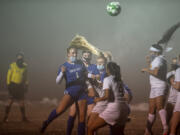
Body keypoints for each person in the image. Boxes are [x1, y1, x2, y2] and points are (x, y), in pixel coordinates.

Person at [40, 47, 90, 135]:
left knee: (82, 118)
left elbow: (86, 75)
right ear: (68, 54)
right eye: (72, 53)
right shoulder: (64, 66)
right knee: (60, 110)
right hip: (71, 92)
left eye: (75, 53)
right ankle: (46, 122)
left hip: (82, 93)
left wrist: (92, 78)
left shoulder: (80, 63)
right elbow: (57, 82)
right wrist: (62, 72)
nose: (74, 55)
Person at [87, 62, 129, 135]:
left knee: (90, 128)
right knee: (119, 133)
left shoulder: (107, 79)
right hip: (125, 109)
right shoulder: (119, 80)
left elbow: (107, 96)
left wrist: (97, 99)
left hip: (114, 109)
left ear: (108, 70)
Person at [66, 50, 100, 135]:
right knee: (72, 115)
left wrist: (96, 77)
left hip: (89, 95)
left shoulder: (94, 67)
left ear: (91, 57)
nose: (86, 57)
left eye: (88, 56)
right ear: (82, 56)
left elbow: (97, 78)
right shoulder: (77, 65)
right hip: (78, 93)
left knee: (90, 117)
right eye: (85, 55)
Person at [141, 44, 168, 135]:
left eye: (151, 51)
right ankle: (148, 130)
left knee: (159, 107)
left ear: (156, 52)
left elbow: (155, 72)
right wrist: (149, 63)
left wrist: (145, 69)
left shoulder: (159, 59)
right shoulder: (156, 59)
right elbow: (152, 69)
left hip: (159, 85)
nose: (150, 53)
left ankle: (165, 128)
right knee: (151, 109)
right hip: (154, 86)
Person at [3, 52, 29, 122]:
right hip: (13, 85)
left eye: (21, 58)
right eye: (18, 58)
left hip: (20, 86)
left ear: (23, 59)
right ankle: (5, 117)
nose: (20, 60)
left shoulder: (25, 66)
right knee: (10, 101)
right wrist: (8, 84)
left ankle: (23, 117)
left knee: (21, 102)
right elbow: (9, 75)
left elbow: (26, 77)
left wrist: (26, 84)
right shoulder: (12, 65)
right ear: (17, 59)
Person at [166, 57, 179, 125]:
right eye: (173, 62)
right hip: (172, 98)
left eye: (175, 62)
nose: (174, 64)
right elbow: (170, 80)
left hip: (178, 98)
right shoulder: (170, 73)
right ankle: (165, 130)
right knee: (168, 115)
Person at [169, 54, 180, 135]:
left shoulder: (179, 70)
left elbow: (178, 87)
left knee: (173, 127)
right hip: (173, 99)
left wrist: (172, 82)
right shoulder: (173, 72)